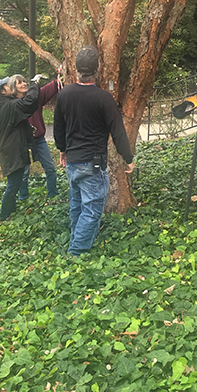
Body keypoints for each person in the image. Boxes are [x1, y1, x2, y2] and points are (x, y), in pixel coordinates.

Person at [54, 45, 135, 257]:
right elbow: (118, 132)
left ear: (75, 67)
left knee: (77, 205)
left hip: (73, 161)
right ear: (98, 68)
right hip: (93, 163)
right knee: (91, 210)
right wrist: (128, 158)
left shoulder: (65, 95)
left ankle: (77, 237)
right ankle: (76, 252)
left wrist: (62, 150)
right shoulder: (103, 98)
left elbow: (59, 128)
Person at [0, 76, 40, 221]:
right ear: (2, 91)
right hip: (12, 152)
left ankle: (11, 210)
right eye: (7, 85)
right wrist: (34, 85)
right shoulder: (8, 106)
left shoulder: (1, 106)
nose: (10, 86)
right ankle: (4, 215)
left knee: (15, 182)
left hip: (10, 150)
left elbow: (28, 107)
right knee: (13, 184)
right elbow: (29, 102)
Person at [6, 74, 61, 200]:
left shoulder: (36, 96)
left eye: (24, 81)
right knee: (24, 172)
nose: (24, 84)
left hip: (38, 140)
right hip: (22, 142)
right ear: (13, 88)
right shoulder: (13, 104)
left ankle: (53, 194)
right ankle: (23, 197)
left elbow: (52, 87)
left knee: (50, 167)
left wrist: (61, 75)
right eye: (19, 83)